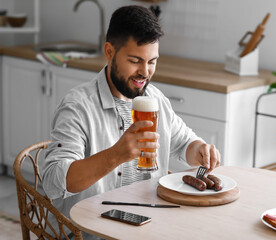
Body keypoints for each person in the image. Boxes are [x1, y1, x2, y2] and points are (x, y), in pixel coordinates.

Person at [41, 5, 220, 239]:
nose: (145, 73)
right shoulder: (77, 106)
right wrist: (115, 154)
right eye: (135, 60)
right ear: (109, 52)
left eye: (152, 62)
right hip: (86, 232)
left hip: (143, 228)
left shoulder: (155, 100)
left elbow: (185, 142)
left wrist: (200, 150)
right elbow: (53, 181)